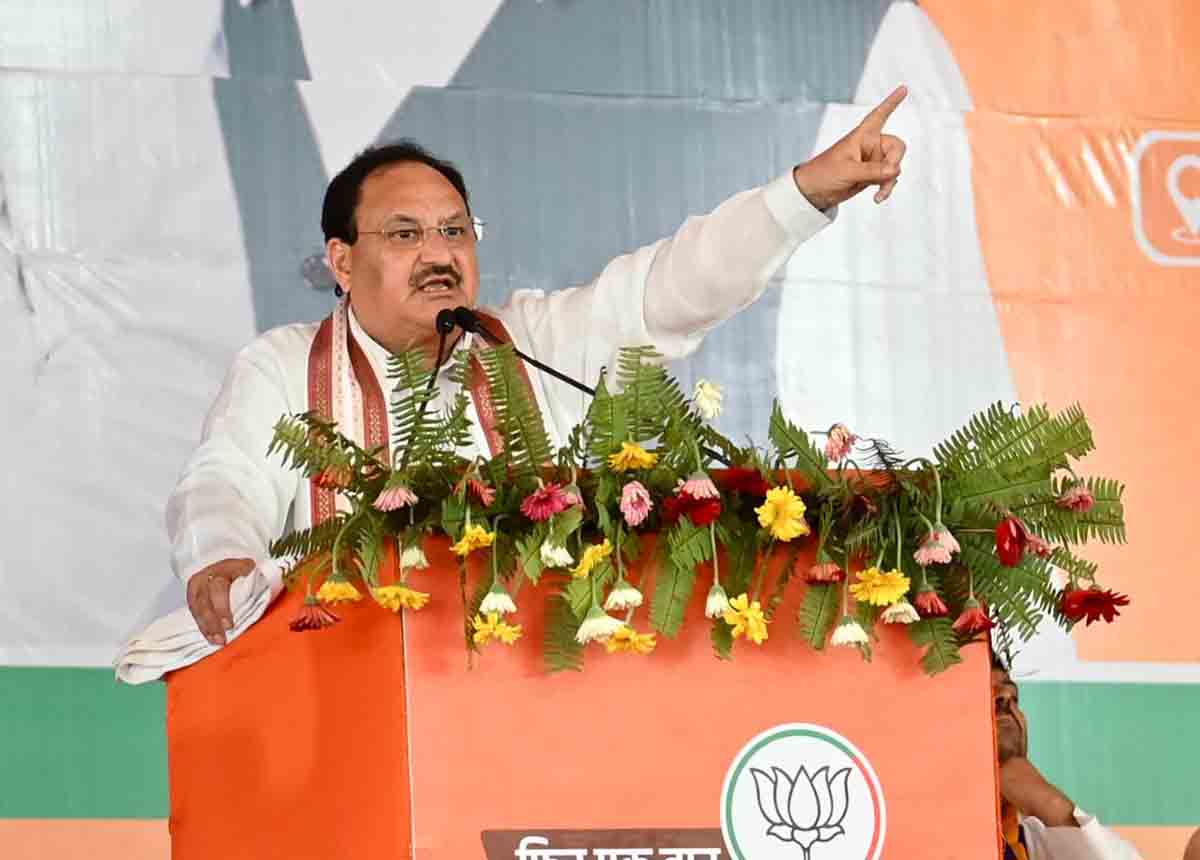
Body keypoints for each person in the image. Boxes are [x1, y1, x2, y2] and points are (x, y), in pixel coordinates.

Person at [172, 87, 910, 646]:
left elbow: (675, 287)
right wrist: (222, 555)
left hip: (535, 703)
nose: (439, 254)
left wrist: (809, 190)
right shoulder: (282, 368)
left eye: (455, 230)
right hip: (342, 699)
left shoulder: (530, 342)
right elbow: (223, 481)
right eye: (405, 234)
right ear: (341, 259)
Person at [992, 658, 1142, 859]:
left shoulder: (1035, 844)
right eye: (982, 691)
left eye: (1015, 696)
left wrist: (1048, 803)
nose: (1006, 697)